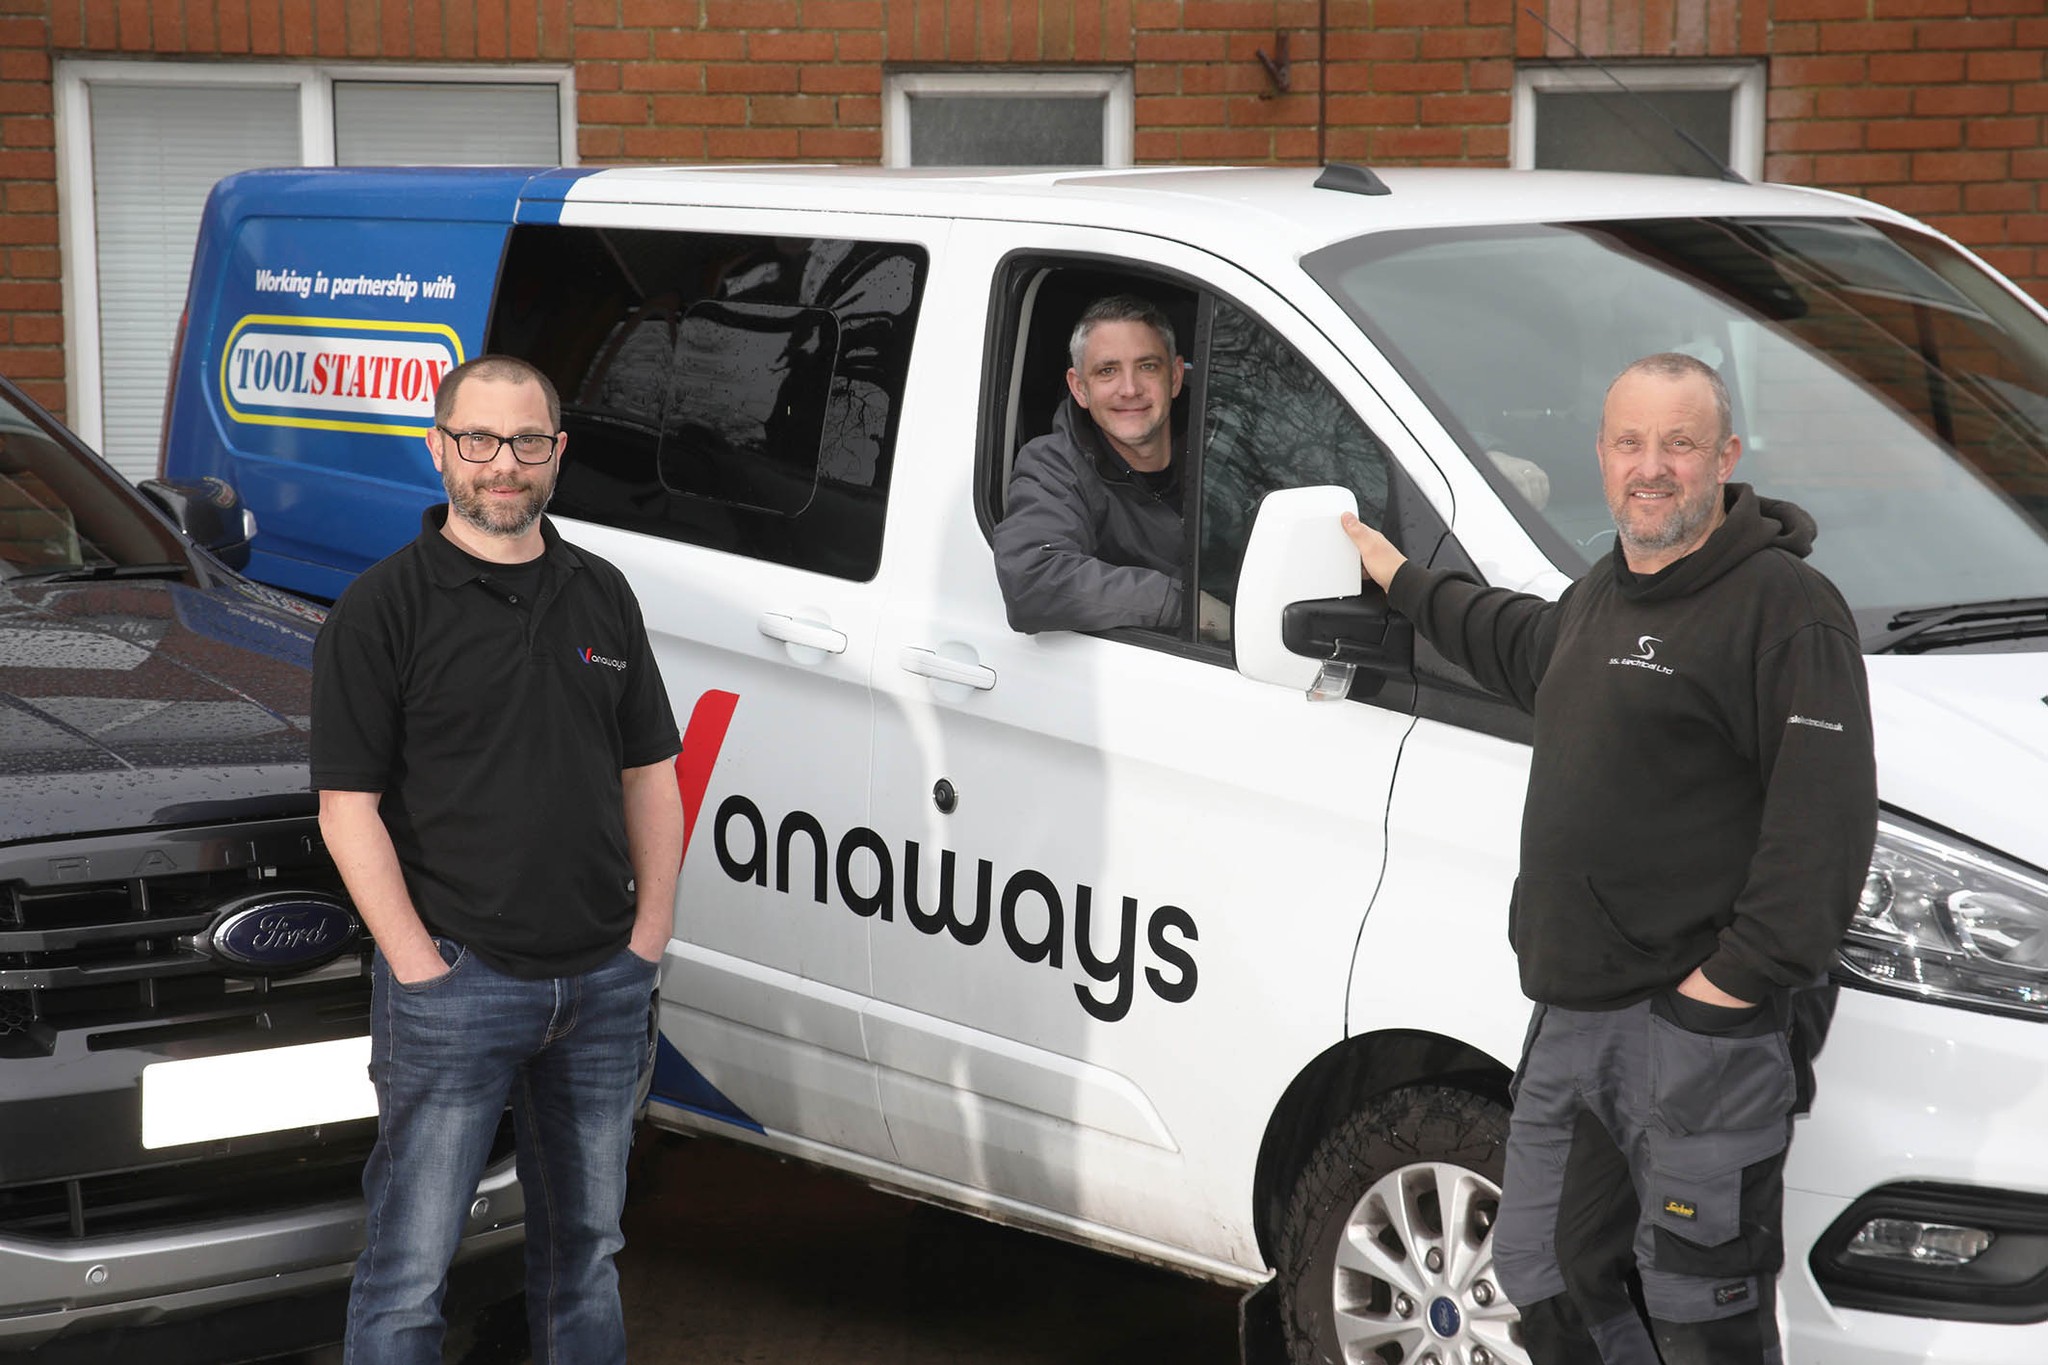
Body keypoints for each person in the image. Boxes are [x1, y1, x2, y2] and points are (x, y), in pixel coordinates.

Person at [1341, 352, 1877, 1364]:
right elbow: (1512, 638)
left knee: (1699, 1304)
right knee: (1547, 1272)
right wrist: (1399, 579)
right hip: (1574, 1016)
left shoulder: (1784, 608)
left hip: (1699, 1033)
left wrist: (1726, 989)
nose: (1651, 467)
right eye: (1630, 443)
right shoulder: (1602, 596)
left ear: (1724, 456)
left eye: (1678, 444)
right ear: (1600, 455)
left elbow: (1825, 829)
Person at [312, 355, 684, 1365]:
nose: (502, 463)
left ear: (557, 452)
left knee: (587, 1256)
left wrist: (645, 940)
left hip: (602, 985)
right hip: (457, 982)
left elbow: (651, 774)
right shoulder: (382, 609)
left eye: (525, 441)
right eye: (477, 439)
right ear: (439, 449)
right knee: (409, 1275)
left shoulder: (602, 593)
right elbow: (347, 811)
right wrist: (418, 970)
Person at [993, 293, 1229, 640]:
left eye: (1147, 366)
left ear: (1176, 377)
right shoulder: (1053, 466)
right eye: (1107, 371)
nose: (1130, 389)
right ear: (1080, 388)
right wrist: (1185, 605)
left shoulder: (1229, 445)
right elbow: (1032, 580)